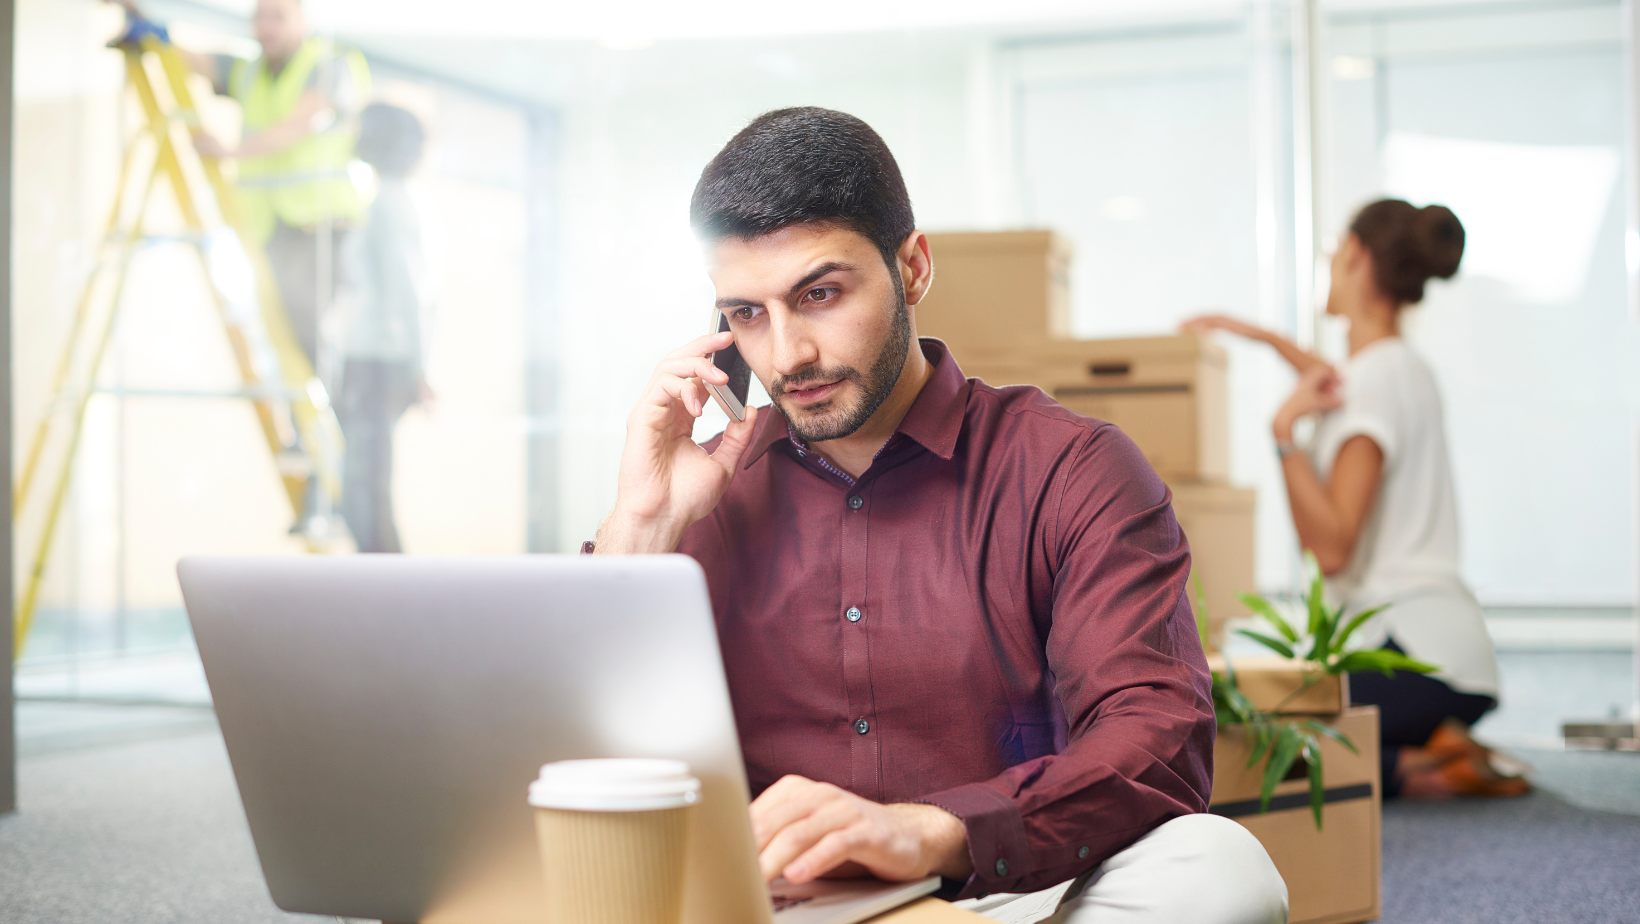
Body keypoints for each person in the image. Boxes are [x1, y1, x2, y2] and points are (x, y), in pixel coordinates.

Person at [589, 107, 1287, 923]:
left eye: (820, 294)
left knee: (1219, 870)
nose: (787, 355)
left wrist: (930, 831)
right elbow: (571, 758)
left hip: (996, 896)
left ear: (913, 268)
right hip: (763, 902)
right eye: (746, 313)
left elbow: (1155, 733)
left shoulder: (1072, 469)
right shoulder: (699, 493)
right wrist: (642, 526)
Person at [1183, 199, 1527, 800]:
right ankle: (1438, 750)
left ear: (1356, 255)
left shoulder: (1374, 382)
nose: (1329, 262)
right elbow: (1337, 379)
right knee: (1262, 717)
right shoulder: (1399, 366)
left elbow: (1333, 548)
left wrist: (1283, 434)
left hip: (1411, 655)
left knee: (1242, 731)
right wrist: (1258, 335)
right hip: (1448, 657)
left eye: (1335, 249)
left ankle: (1424, 768)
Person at [335, 104, 431, 554]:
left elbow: (408, 292)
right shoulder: (384, 202)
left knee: (366, 488)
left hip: (377, 360)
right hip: (372, 357)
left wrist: (418, 368)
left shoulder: (389, 205)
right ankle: (383, 577)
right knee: (364, 484)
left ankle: (388, 583)